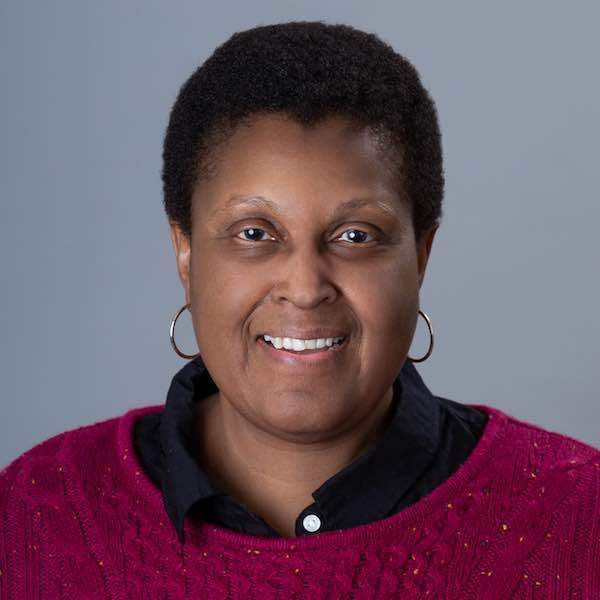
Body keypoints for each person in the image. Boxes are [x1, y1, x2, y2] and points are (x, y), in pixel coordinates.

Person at [1, 20, 598, 599]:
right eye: (255, 233)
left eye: (356, 235)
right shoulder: (34, 517)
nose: (306, 287)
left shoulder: (578, 520)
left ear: (420, 256)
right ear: (185, 251)